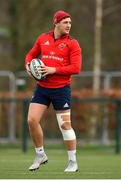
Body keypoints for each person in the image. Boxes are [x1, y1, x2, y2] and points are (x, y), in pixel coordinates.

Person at [25, 10, 82, 172]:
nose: (68, 25)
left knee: (65, 125)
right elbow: (30, 55)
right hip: (42, 88)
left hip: (61, 89)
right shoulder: (43, 38)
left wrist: (53, 69)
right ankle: (40, 154)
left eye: (70, 23)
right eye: (65, 22)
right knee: (31, 120)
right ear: (56, 23)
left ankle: (72, 162)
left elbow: (76, 68)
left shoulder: (73, 43)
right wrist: (28, 66)